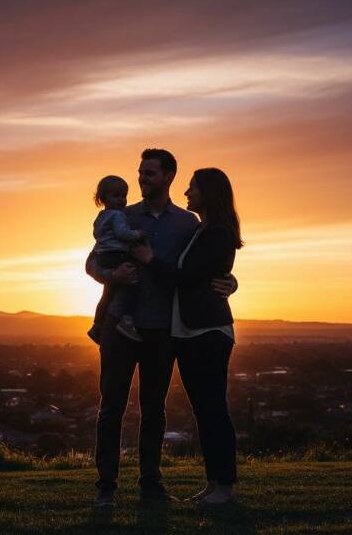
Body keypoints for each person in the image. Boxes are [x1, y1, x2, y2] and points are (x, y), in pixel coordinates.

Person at [85, 149, 238, 508]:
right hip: (119, 328)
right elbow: (92, 260)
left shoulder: (188, 224)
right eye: (140, 173)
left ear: (168, 176)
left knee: (154, 410)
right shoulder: (121, 215)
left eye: (149, 173)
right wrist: (111, 274)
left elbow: (202, 264)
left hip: (162, 331)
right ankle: (106, 486)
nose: (141, 179)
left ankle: (150, 484)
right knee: (111, 408)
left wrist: (229, 281)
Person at [133, 167, 242, 505]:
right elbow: (206, 274)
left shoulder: (218, 232)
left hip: (207, 332)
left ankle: (224, 486)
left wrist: (150, 259)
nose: (186, 193)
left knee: (213, 410)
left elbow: (188, 276)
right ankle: (214, 484)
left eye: (192, 187)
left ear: (208, 192)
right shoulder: (203, 230)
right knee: (204, 411)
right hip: (191, 333)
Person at [88, 175, 145, 344]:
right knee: (132, 283)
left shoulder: (100, 217)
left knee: (107, 293)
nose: (122, 200)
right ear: (103, 198)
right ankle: (127, 320)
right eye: (117, 196)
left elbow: (97, 236)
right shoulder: (119, 216)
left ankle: (97, 325)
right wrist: (138, 235)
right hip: (116, 256)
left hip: (104, 256)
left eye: (124, 196)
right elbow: (122, 234)